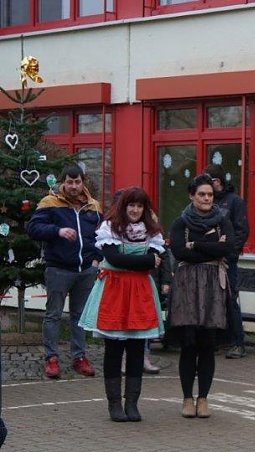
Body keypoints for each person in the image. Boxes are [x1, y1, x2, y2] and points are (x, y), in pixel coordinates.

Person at [79, 187, 166, 422]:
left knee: (137, 349)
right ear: (123, 207)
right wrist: (147, 259)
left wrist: (142, 262)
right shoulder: (110, 228)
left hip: (140, 292)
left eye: (139, 206)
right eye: (131, 205)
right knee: (114, 349)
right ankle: (114, 404)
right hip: (115, 291)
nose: (135, 210)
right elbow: (115, 258)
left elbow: (156, 261)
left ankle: (133, 404)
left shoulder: (152, 231)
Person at [26, 164, 102, 379]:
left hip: (86, 270)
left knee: (79, 316)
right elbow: (33, 229)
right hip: (58, 269)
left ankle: (79, 357)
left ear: (83, 183)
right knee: (53, 315)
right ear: (62, 183)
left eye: (77, 182)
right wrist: (57, 231)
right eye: (69, 182)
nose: (74, 186)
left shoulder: (93, 207)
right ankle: (51, 358)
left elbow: (103, 236)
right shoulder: (49, 203)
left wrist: (97, 259)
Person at [168, 174, 234, 419]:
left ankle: (204, 398)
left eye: (209, 194)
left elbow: (228, 248)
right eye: (201, 194)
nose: (207, 198)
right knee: (189, 343)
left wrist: (195, 245)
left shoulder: (223, 220)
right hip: (187, 287)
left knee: (207, 344)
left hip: (213, 288)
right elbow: (178, 251)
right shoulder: (180, 223)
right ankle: (187, 398)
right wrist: (209, 246)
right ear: (192, 196)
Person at [203, 164, 249, 359]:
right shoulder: (207, 202)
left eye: (209, 182)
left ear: (217, 182)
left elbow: (242, 231)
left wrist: (228, 251)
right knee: (210, 300)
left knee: (230, 300)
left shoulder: (234, 202)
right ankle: (214, 342)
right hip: (207, 260)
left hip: (227, 261)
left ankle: (238, 343)